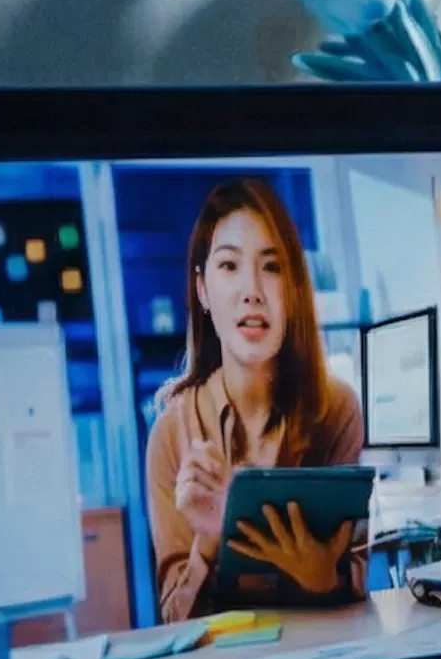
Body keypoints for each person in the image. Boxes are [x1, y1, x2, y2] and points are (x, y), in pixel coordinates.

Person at [143, 177, 367, 620]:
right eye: (229, 266)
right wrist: (207, 546)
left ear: (294, 290)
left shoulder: (336, 410)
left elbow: (358, 579)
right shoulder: (172, 433)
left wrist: (324, 577)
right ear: (203, 290)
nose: (252, 290)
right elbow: (172, 617)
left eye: (271, 266)